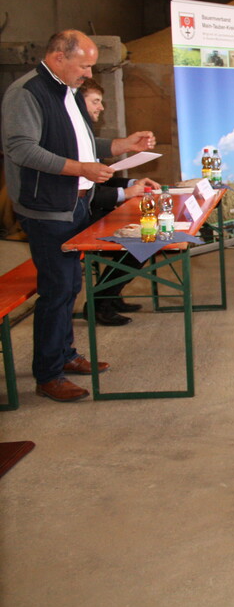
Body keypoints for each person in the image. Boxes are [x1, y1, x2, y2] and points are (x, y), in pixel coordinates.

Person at [1, 30, 156, 402]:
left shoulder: (66, 91)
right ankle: (48, 374)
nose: (88, 73)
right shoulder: (26, 93)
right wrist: (79, 170)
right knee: (57, 290)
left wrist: (121, 146)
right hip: (47, 208)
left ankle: (64, 355)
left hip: (72, 203)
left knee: (70, 285)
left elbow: (82, 142)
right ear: (57, 58)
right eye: (84, 65)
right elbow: (21, 149)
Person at [80, 78, 161, 326]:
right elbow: (87, 192)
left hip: (95, 212)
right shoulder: (72, 138)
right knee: (142, 241)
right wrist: (126, 194)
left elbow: (100, 181)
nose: (101, 108)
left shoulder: (84, 134)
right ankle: (99, 303)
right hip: (82, 218)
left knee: (147, 239)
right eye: (95, 101)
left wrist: (132, 184)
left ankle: (111, 295)